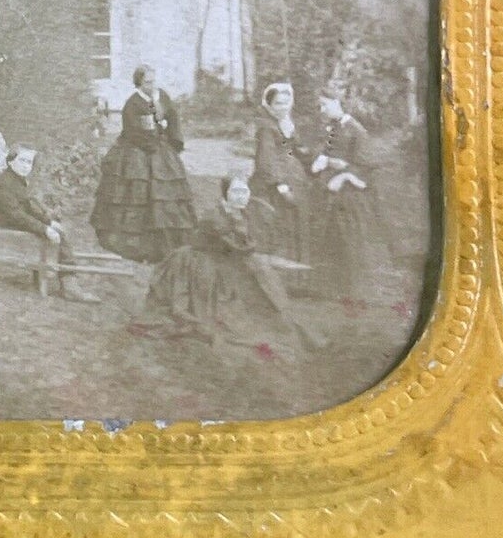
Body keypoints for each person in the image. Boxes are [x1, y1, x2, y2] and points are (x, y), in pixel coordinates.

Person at [131, 175, 324, 350]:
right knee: (232, 297)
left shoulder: (240, 213)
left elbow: (244, 244)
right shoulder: (214, 217)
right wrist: (251, 251)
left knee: (263, 284)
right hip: (201, 262)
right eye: (236, 192)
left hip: (227, 258)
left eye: (245, 191)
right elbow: (239, 247)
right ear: (225, 194)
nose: (242, 197)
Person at [89, 65, 197, 264]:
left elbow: (173, 117)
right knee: (138, 192)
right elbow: (134, 132)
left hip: (161, 147)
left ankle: (168, 240)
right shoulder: (132, 104)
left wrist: (172, 140)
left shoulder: (162, 96)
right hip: (138, 150)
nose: (152, 84)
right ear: (139, 83)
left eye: (153, 80)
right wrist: (153, 144)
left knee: (166, 193)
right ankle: (141, 245)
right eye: (147, 82)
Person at [308, 86, 384, 298]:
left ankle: (354, 292)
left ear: (337, 102)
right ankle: (330, 290)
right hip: (330, 192)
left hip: (349, 194)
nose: (321, 109)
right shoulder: (332, 127)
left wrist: (343, 175)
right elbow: (327, 151)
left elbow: (367, 165)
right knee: (331, 237)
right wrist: (324, 159)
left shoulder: (356, 130)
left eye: (325, 105)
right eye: (319, 105)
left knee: (348, 238)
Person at [0, 145, 79, 296]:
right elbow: (16, 214)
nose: (26, 166)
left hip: (7, 219)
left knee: (55, 231)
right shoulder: (4, 183)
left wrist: (49, 222)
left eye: (29, 162)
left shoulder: (17, 180)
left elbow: (28, 207)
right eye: (22, 160)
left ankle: (66, 277)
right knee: (46, 235)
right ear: (10, 161)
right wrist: (45, 229)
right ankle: (69, 285)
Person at [249, 81, 312, 265]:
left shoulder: (285, 123)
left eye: (285, 103)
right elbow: (265, 161)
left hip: (294, 177)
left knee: (297, 222)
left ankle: (298, 271)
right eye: (277, 103)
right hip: (273, 184)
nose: (282, 108)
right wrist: (281, 186)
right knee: (279, 224)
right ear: (269, 104)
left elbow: (293, 149)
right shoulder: (266, 127)